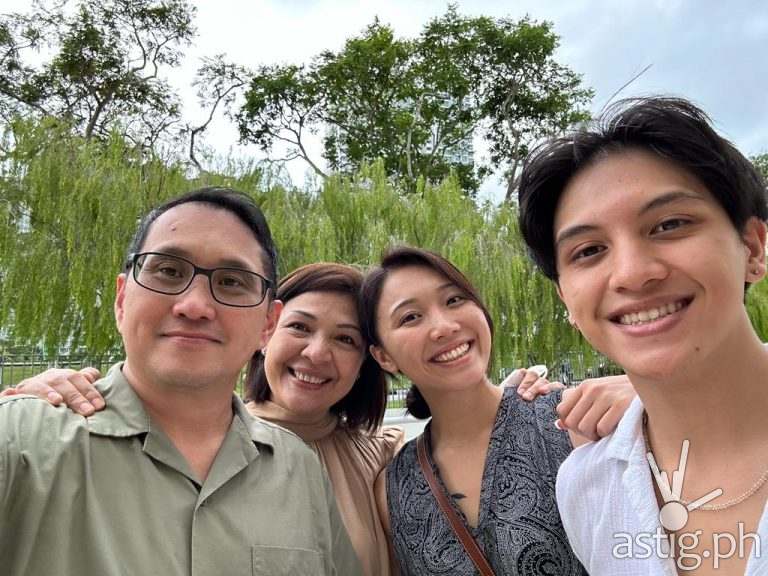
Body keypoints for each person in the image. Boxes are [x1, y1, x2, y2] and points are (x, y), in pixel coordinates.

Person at [11, 259, 636, 575]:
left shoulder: (384, 458)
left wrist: (637, 390)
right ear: (264, 332)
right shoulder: (189, 440)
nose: (317, 354)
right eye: (300, 329)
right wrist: (28, 397)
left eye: (344, 339)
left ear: (370, 360)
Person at [0, 188, 362, 575]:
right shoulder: (20, 440)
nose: (194, 306)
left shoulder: (300, 470)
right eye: (169, 272)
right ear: (121, 300)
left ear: (267, 325)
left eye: (231, 282)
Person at [518, 96, 768, 574]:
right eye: (589, 251)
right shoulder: (585, 487)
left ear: (753, 248)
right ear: (566, 299)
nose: (632, 274)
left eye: (669, 225)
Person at [360, 245, 590, 575]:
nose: (444, 327)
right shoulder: (392, 490)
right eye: (410, 317)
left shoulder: (570, 422)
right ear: (383, 356)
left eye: (454, 300)